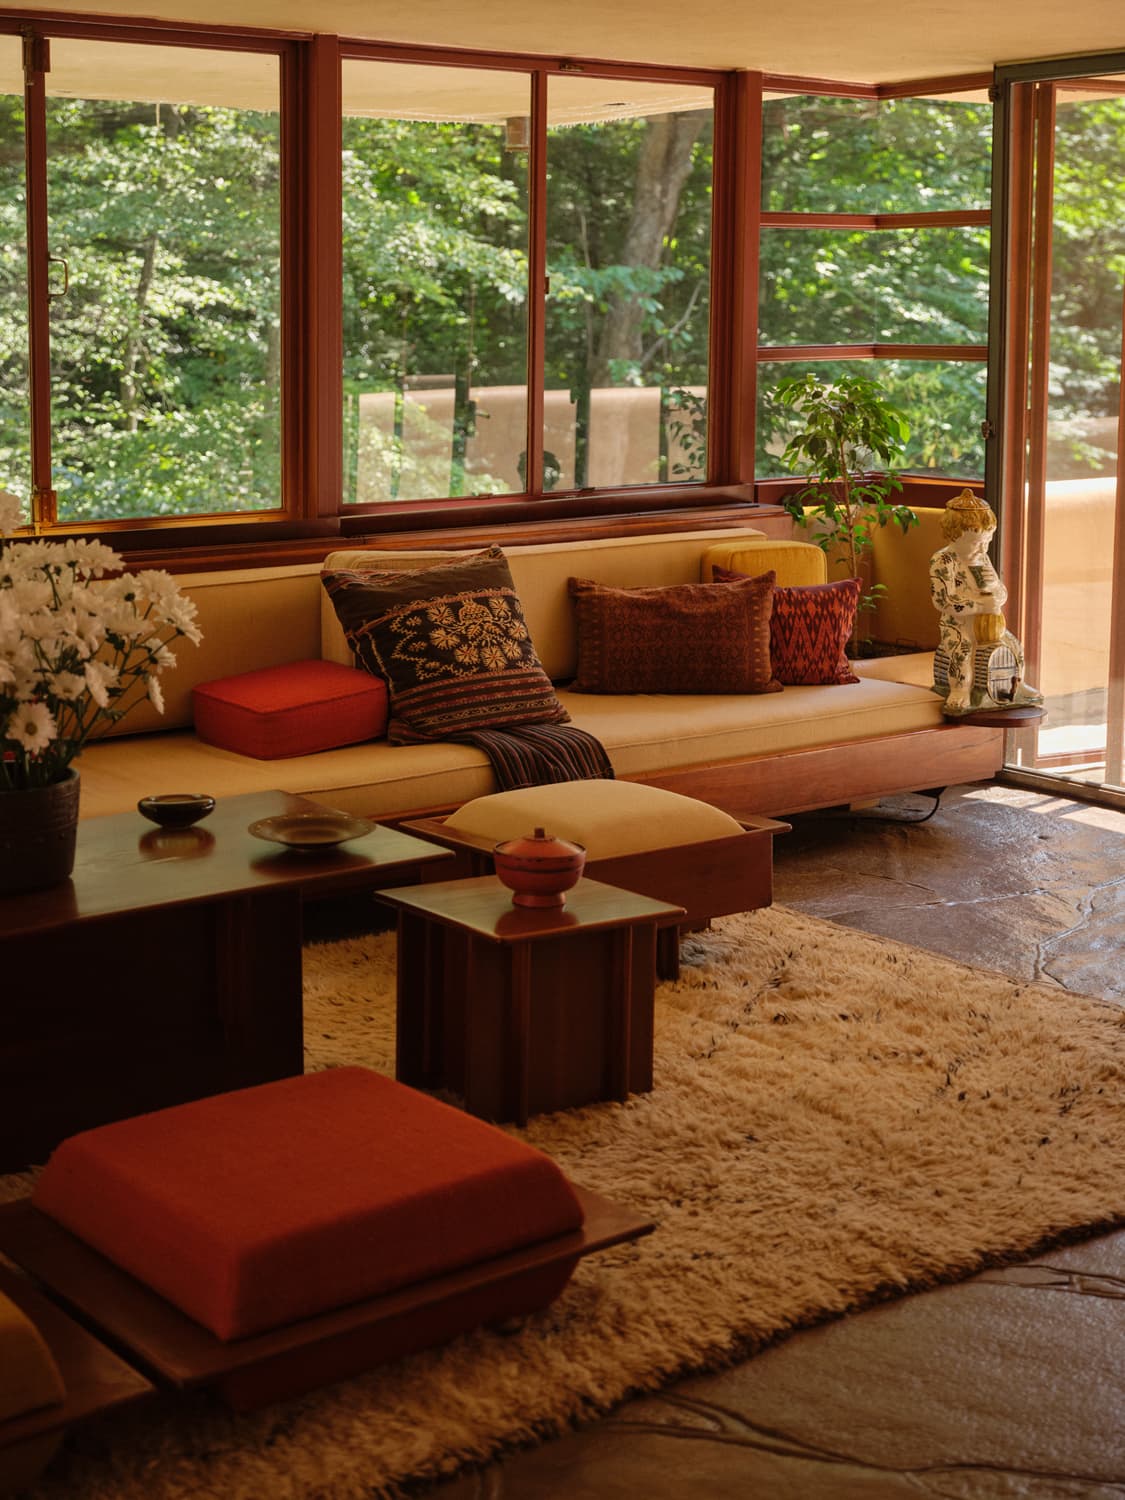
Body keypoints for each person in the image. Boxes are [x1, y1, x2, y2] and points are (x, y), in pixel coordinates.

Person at [929, 489, 1041, 714]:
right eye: (975, 543)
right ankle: (960, 690)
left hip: (987, 623)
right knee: (962, 650)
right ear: (954, 536)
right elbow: (944, 601)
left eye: (987, 541)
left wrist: (994, 590)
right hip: (957, 625)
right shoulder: (944, 560)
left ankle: (1016, 684)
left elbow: (1001, 593)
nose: (982, 548)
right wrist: (980, 605)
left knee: (1013, 645)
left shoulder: (982, 558)